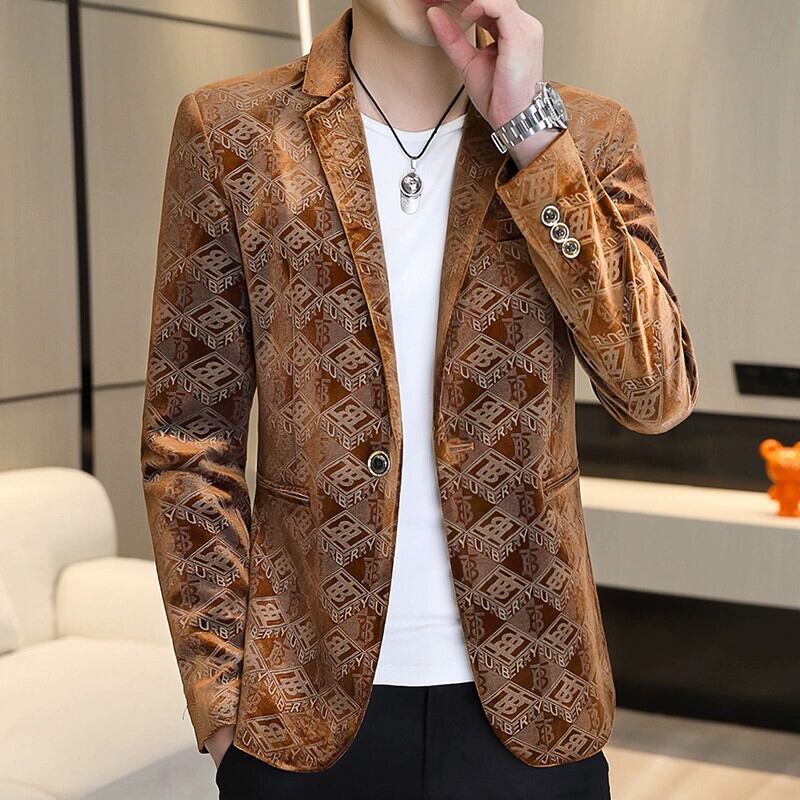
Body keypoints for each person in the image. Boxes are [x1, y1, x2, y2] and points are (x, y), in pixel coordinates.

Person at [140, 1, 699, 798]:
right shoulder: (234, 132)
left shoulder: (583, 136)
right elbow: (189, 436)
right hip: (299, 715)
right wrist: (224, 700)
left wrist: (532, 138)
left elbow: (655, 391)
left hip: (536, 702)